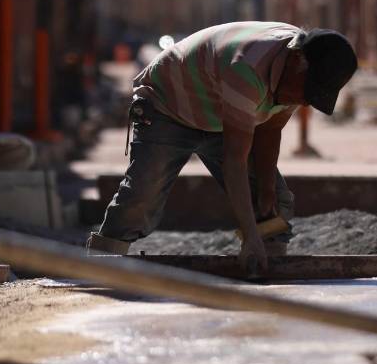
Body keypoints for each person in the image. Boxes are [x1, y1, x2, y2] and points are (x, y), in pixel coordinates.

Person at [87, 22, 358, 271]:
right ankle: (100, 266)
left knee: (273, 199)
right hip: (168, 105)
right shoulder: (248, 68)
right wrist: (250, 234)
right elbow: (234, 161)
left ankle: (266, 267)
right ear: (297, 61)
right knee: (142, 195)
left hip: (222, 111)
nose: (306, 101)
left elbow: (270, 129)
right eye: (307, 91)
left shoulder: (296, 73)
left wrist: (265, 191)